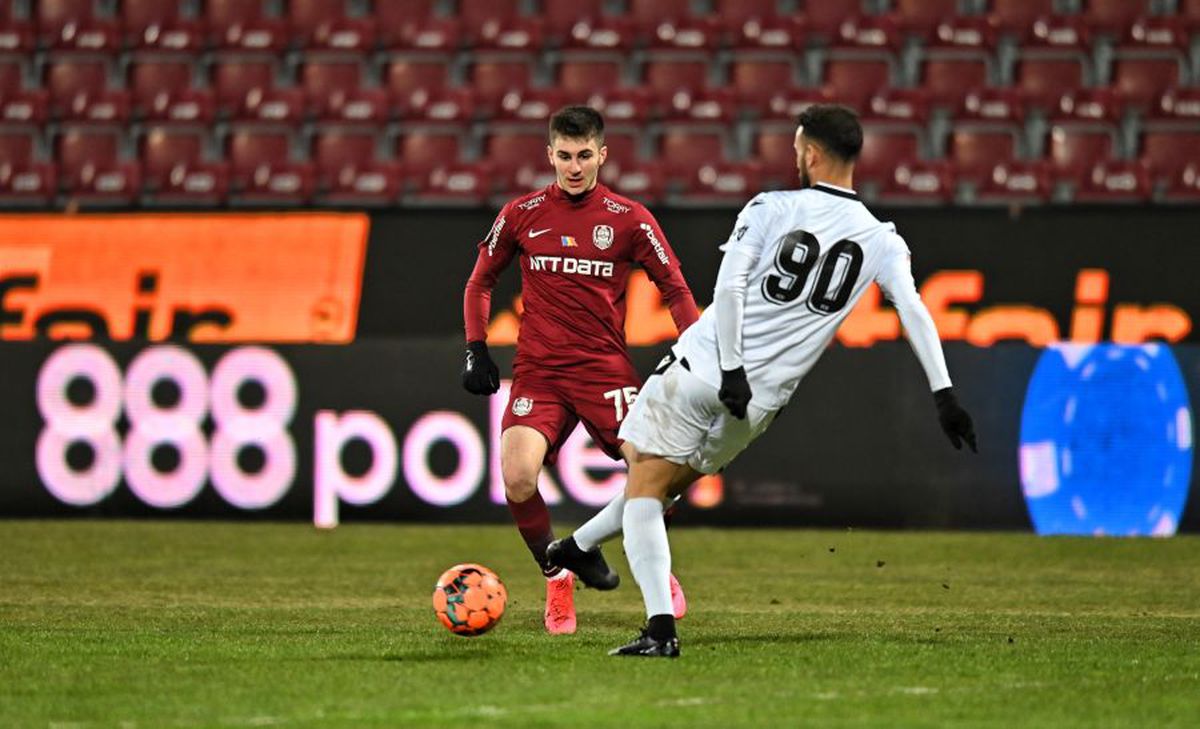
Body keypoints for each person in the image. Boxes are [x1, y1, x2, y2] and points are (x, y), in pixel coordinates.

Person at [548, 104, 978, 657]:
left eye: (798, 146)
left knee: (642, 472)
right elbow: (915, 311)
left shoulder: (773, 206)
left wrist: (730, 365)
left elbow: (729, 289)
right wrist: (944, 394)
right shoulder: (881, 238)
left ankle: (659, 629)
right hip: (761, 405)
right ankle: (575, 549)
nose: (795, 154)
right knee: (662, 484)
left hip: (708, 369)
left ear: (812, 154)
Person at [461, 106, 701, 635]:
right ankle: (557, 575)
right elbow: (480, 282)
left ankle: (658, 573)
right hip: (539, 372)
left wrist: (700, 353)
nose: (574, 167)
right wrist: (476, 348)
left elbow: (676, 289)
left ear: (602, 154)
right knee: (518, 475)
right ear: (549, 155)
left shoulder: (629, 217)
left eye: (584, 155)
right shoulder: (521, 213)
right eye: (564, 156)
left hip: (604, 369)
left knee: (659, 474)